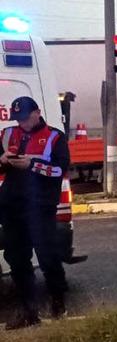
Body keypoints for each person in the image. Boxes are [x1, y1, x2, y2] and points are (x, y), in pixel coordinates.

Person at [0, 96, 70, 329]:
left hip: (40, 207)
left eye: (26, 118)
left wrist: (32, 164)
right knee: (17, 260)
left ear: (37, 112)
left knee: (48, 256)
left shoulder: (55, 137)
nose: (22, 123)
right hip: (12, 206)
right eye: (18, 119)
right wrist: (3, 160)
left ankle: (58, 303)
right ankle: (29, 311)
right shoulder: (8, 134)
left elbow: (59, 169)